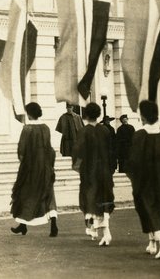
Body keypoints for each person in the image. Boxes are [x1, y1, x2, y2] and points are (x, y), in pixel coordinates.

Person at [127, 100, 160, 259]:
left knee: (147, 208)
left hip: (145, 179)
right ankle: (152, 242)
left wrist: (133, 176)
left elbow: (135, 159)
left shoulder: (140, 134)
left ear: (143, 116)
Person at [10, 102, 58, 237]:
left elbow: (22, 150)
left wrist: (23, 163)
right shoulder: (46, 128)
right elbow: (49, 148)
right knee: (48, 193)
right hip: (46, 165)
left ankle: (23, 224)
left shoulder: (27, 129)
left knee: (25, 193)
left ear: (29, 113)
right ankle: (53, 224)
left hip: (31, 167)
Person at [72, 102, 115, 246]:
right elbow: (111, 151)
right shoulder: (105, 130)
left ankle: (103, 231)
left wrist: (77, 166)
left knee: (90, 200)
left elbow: (78, 152)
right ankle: (95, 229)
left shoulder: (84, 132)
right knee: (103, 200)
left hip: (90, 172)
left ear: (86, 115)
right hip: (104, 171)